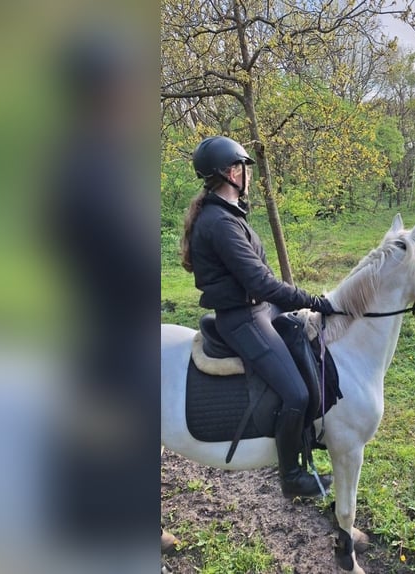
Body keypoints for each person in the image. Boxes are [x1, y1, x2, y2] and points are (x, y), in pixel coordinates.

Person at [181, 136, 334, 498]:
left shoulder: (229, 215)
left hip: (259, 309)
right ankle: (291, 476)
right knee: (295, 393)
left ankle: (309, 438)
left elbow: (261, 279)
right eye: (244, 168)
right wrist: (313, 300)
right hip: (243, 318)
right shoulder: (220, 223)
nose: (248, 174)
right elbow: (260, 282)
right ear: (232, 172)